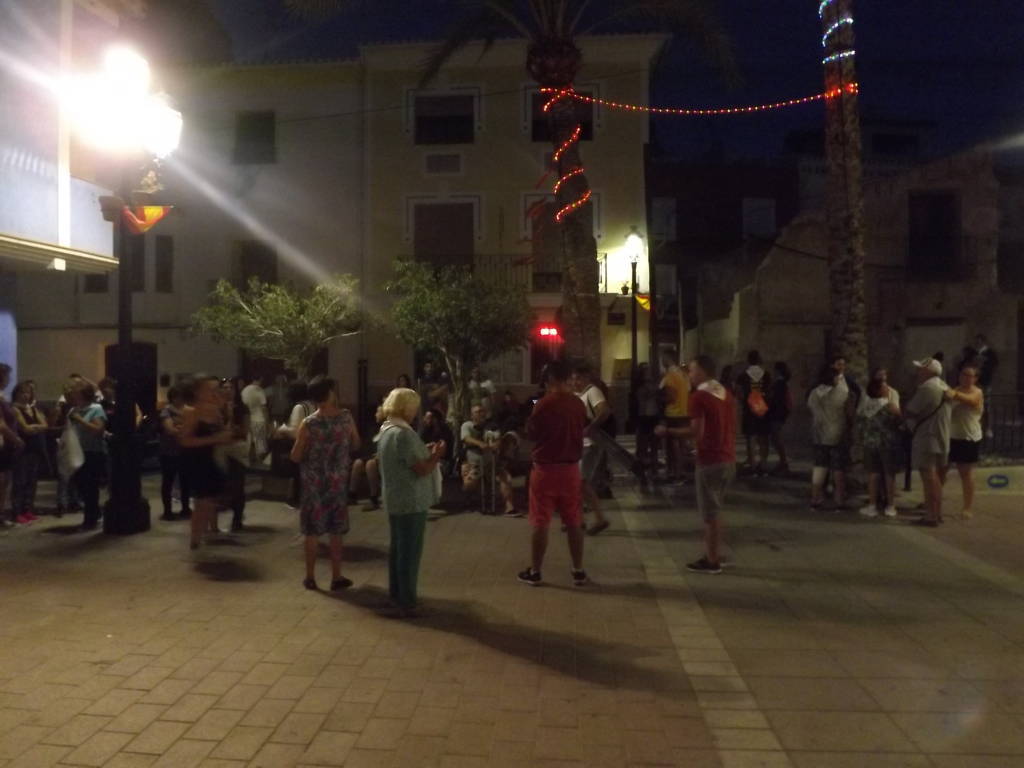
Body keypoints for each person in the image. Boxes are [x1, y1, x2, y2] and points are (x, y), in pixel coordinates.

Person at [656, 355, 736, 574]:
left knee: (709, 514)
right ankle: (714, 553)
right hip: (727, 458)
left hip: (710, 460)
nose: (688, 375)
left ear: (702, 371)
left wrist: (667, 431)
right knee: (716, 510)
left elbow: (695, 431)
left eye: (691, 370)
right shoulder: (723, 392)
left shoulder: (699, 396)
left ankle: (712, 561)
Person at [518, 361, 589, 587]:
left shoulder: (543, 404)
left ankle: (536, 571)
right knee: (574, 521)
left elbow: (532, 433)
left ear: (549, 379)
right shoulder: (578, 404)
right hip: (571, 470)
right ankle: (578, 570)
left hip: (545, 470)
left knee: (541, 521)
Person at [378, 387, 445, 617]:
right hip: (411, 499)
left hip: (394, 497)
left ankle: (396, 594)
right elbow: (421, 468)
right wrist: (436, 455)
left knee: (398, 548)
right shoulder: (404, 434)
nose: (417, 412)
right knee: (410, 551)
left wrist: (424, 451)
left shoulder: (386, 430)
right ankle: (407, 600)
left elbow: (403, 459)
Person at [290, 376, 361, 591]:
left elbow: (295, 455)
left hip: (313, 484)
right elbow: (356, 443)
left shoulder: (309, 423)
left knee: (311, 531)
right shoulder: (346, 418)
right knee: (335, 531)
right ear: (330, 394)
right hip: (337, 482)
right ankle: (336, 576)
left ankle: (310, 577)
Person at [180, 375, 233, 549]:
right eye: (210, 389)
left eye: (216, 389)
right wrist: (215, 439)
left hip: (211, 458)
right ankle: (195, 539)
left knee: (209, 500)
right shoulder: (192, 411)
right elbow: (185, 441)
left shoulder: (215, 411)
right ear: (198, 392)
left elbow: (223, 431)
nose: (214, 392)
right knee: (202, 501)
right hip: (196, 460)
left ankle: (205, 531)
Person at [904, 358, 952, 527]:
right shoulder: (944, 386)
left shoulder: (927, 388)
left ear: (928, 372)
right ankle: (936, 513)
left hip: (927, 436)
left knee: (929, 477)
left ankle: (931, 516)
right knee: (936, 478)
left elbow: (911, 410)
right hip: (942, 436)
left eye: (921, 369)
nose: (918, 372)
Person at [941, 365, 984, 520]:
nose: (965, 377)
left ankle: (967, 507)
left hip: (968, 437)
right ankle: (933, 501)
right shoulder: (955, 390)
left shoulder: (977, 392)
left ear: (975, 379)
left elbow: (971, 401)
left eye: (969, 375)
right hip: (951, 436)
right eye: (963, 374)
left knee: (965, 473)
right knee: (941, 470)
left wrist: (954, 394)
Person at [572, 365, 610, 535]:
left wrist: (590, 428)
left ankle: (597, 518)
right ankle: (579, 519)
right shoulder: (577, 394)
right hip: (580, 444)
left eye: (578, 378)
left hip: (589, 444)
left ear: (586, 377)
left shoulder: (593, 391)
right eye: (573, 379)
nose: (575, 382)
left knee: (581, 482)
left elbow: (604, 411)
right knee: (578, 483)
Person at [807, 364, 851, 511]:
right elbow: (849, 411)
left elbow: (811, 409)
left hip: (819, 435)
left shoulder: (814, 393)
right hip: (837, 434)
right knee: (838, 469)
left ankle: (815, 499)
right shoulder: (841, 392)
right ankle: (839, 500)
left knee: (819, 467)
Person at [857, 378, 902, 519]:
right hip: (887, 444)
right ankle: (890, 506)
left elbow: (860, 426)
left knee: (873, 474)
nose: (887, 388)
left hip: (870, 444)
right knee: (889, 474)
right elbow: (900, 422)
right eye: (884, 387)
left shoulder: (865, 408)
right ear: (878, 390)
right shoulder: (889, 407)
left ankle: (872, 505)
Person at [66, 379, 107, 531]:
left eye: (75, 391)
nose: (72, 393)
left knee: (90, 486)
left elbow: (98, 430)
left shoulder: (96, 409)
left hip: (92, 452)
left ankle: (90, 520)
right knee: (80, 485)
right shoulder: (73, 410)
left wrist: (79, 420)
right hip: (77, 451)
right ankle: (95, 512)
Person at [11, 381, 45, 524]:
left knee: (32, 481)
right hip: (22, 449)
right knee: (20, 481)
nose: (25, 395)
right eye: (22, 392)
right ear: (16, 394)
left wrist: (34, 427)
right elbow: (25, 428)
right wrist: (36, 427)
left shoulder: (33, 409)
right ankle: (17, 512)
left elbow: (45, 425)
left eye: (28, 393)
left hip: (35, 449)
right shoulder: (15, 409)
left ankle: (28, 509)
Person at [276, 380, 314, 509]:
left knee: (295, 470)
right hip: (312, 443)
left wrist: (282, 429)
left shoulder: (299, 407)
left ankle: (294, 498)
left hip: (300, 444)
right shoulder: (311, 404)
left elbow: (295, 432)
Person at [736, 351, 772, 476]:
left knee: (750, 437)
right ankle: (763, 464)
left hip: (749, 407)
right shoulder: (766, 374)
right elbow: (769, 391)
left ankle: (752, 465)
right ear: (759, 359)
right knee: (763, 437)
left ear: (749, 360)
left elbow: (739, 392)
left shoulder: (743, 376)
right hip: (762, 407)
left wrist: (746, 401)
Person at [221, 377, 250, 532]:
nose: (227, 390)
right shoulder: (217, 407)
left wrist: (232, 426)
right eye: (224, 388)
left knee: (237, 485)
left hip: (237, 449)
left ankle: (237, 518)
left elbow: (244, 431)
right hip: (220, 449)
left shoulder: (242, 408)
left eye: (230, 388)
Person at [157, 386, 190, 521]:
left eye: (181, 396)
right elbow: (170, 429)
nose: (179, 399)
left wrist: (180, 427)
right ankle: (167, 511)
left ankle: (186, 508)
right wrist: (184, 428)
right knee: (168, 481)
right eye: (176, 397)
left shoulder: (188, 410)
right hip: (169, 450)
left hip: (185, 450)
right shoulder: (166, 411)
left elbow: (194, 427)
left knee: (185, 481)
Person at [659, 350, 690, 481]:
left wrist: (659, 398)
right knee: (682, 445)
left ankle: (674, 473)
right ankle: (681, 471)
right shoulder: (684, 374)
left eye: (662, 358)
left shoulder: (670, 376)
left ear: (668, 358)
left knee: (673, 446)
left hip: (673, 413)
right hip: (684, 412)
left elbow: (670, 397)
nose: (661, 361)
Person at [767, 361, 792, 475]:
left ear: (777, 371)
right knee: (775, 438)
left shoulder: (779, 383)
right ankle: (783, 462)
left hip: (777, 413)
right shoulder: (781, 383)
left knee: (776, 438)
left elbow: (775, 399)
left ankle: (784, 462)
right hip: (779, 413)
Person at [634, 363, 661, 470]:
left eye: (649, 369)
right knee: (643, 442)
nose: (648, 372)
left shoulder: (654, 384)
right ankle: (643, 463)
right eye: (646, 370)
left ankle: (653, 463)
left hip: (653, 415)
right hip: (644, 416)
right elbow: (641, 399)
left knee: (654, 442)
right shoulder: (640, 386)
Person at [241, 375, 270, 462]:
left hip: (249, 419)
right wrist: (267, 422)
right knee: (260, 441)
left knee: (250, 440)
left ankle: (249, 460)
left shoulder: (244, 390)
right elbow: (263, 408)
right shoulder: (259, 390)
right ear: (260, 379)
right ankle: (259, 461)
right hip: (260, 419)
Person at [975, 334, 998, 439]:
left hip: (985, 382)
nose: (977, 343)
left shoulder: (990, 353)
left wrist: (982, 368)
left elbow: (993, 366)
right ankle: (977, 427)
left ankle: (988, 428)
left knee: (987, 405)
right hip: (974, 383)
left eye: (979, 341)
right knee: (975, 406)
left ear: (983, 342)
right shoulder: (973, 353)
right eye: (976, 341)